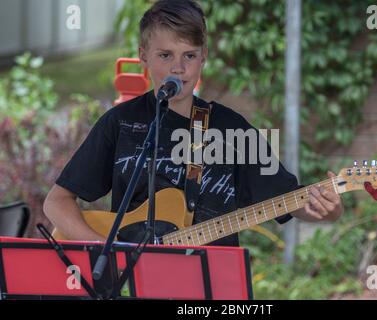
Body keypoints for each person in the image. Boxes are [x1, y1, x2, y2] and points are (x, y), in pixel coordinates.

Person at [43, 0, 343, 246]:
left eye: (190, 55)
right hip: (133, 280)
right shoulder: (121, 123)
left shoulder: (231, 129)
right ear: (143, 56)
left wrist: (327, 209)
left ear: (204, 58)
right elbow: (56, 202)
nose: (179, 67)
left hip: (212, 282)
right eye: (165, 55)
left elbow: (287, 199)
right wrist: (103, 251)